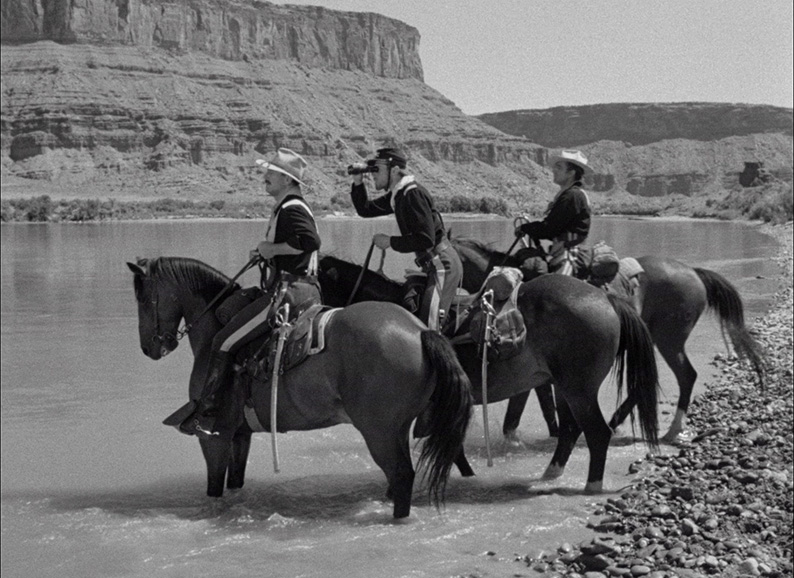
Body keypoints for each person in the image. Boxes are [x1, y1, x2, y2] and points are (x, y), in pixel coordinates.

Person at [180, 148, 322, 438]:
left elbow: (310, 241)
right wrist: (264, 253)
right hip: (298, 288)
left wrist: (272, 249)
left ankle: (208, 415)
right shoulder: (289, 206)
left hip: (288, 293)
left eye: (270, 173)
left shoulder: (292, 208)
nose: (265, 178)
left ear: (285, 179)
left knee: (222, 341)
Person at [349, 147, 462, 331]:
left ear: (394, 170)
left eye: (377, 169)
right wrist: (357, 181)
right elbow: (365, 209)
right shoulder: (399, 195)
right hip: (433, 264)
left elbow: (425, 239)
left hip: (443, 265)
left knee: (429, 329)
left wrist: (390, 242)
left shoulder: (412, 194)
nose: (373, 175)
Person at [514, 149, 592, 275]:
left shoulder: (571, 196)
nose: (553, 170)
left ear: (571, 173)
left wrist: (525, 228)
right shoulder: (571, 194)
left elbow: (550, 228)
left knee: (554, 290)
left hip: (570, 254)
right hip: (562, 250)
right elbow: (553, 228)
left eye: (559, 167)